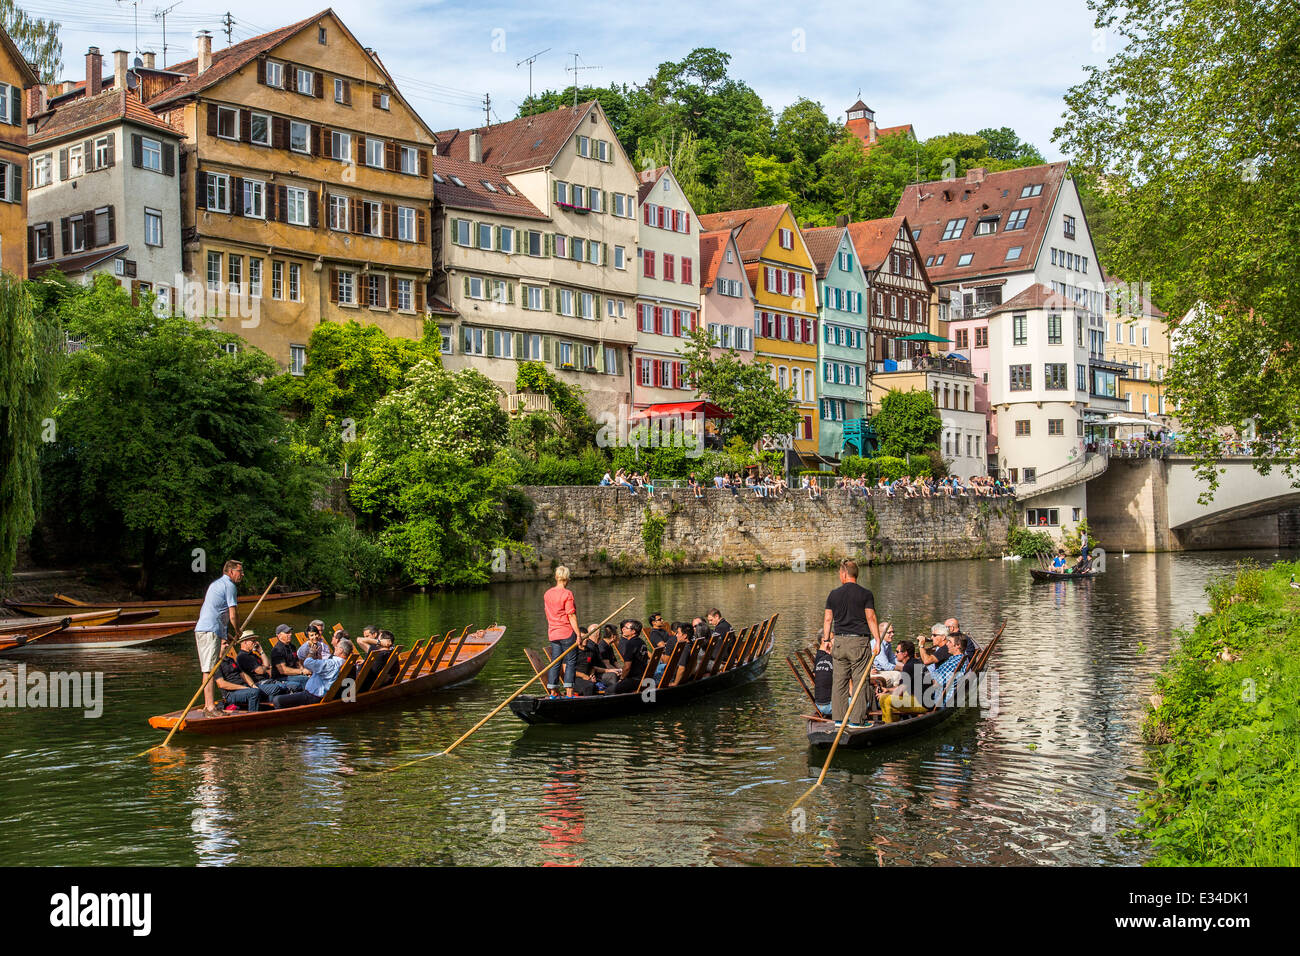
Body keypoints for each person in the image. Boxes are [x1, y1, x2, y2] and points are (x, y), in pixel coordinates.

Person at [824, 558, 881, 727]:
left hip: (839, 641)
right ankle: (857, 720)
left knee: (839, 681)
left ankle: (839, 719)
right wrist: (877, 640)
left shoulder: (833, 594)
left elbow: (828, 619)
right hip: (859, 642)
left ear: (843, 574)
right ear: (856, 574)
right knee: (860, 681)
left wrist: (827, 640)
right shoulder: (865, 594)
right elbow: (870, 617)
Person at [194, 559, 244, 718]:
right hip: (209, 630)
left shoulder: (217, 584)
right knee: (209, 669)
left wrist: (228, 635)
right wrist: (238, 631)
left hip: (207, 629)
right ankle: (209, 707)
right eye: (239, 571)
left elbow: (218, 613)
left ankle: (209, 705)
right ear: (230, 572)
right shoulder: (229, 585)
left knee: (209, 668)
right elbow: (232, 614)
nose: (242, 575)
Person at [271, 635, 353, 709]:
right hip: (320, 695)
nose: (335, 647)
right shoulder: (344, 663)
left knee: (276, 700)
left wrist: (311, 652)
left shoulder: (331, 663)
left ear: (341, 650)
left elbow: (307, 663)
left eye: (337, 647)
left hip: (312, 697)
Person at [542, 565, 580, 697]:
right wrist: (578, 634)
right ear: (567, 578)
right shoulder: (567, 594)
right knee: (570, 662)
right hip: (567, 632)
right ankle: (569, 692)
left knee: (555, 661)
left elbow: (548, 614)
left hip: (553, 633)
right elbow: (571, 615)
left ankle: (553, 691)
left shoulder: (547, 593)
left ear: (556, 577)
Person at [880, 640, 930, 723]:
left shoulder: (908, 667)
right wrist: (888, 690)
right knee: (891, 699)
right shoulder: (916, 662)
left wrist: (885, 694)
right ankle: (895, 722)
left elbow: (899, 692)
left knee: (884, 699)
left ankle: (887, 726)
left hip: (922, 704)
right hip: (924, 700)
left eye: (897, 651)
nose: (895, 654)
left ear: (905, 653)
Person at [573, 628, 620, 695]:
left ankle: (611, 697)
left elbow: (592, 667)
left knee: (612, 677)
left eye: (587, 637)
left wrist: (592, 675)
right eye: (583, 637)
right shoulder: (572, 652)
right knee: (589, 685)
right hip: (575, 679)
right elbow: (566, 670)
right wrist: (584, 676)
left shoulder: (590, 651)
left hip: (589, 677)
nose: (586, 639)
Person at [613, 619, 650, 693]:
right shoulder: (641, 641)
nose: (623, 629)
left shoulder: (630, 644)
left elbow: (627, 667)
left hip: (635, 680)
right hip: (643, 677)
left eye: (626, 628)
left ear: (633, 631)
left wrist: (621, 679)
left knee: (610, 690)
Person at [269, 624, 310, 690]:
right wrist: (302, 672)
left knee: (313, 676)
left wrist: (305, 672)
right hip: (281, 677)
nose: (290, 634)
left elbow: (297, 663)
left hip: (294, 674)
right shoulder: (277, 650)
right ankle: (308, 698)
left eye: (290, 632)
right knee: (304, 679)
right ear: (279, 636)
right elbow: (283, 670)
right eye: (287, 633)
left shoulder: (292, 646)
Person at [871, 621, 900, 687]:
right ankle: (894, 693)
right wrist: (901, 668)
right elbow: (885, 666)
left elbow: (893, 659)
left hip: (881, 670)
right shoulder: (878, 644)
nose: (892, 634)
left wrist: (905, 666)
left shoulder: (887, 643)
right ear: (881, 633)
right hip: (875, 672)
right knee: (898, 675)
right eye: (889, 632)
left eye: (893, 632)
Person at [812, 633, 834, 717]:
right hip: (827, 701)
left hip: (822, 700)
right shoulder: (822, 656)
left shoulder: (823, 656)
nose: (834, 640)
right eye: (832, 638)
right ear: (823, 640)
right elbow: (815, 674)